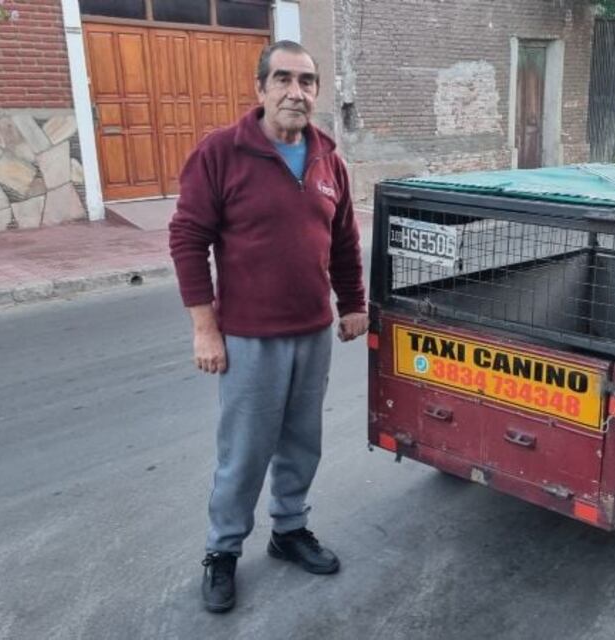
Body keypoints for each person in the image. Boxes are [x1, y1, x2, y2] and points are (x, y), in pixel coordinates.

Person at [168, 40, 367, 614]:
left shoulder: (329, 158)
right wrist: (205, 329)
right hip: (250, 336)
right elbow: (187, 239)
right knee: (246, 450)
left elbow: (345, 242)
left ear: (316, 94)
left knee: (302, 441)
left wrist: (353, 302)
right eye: (282, 79)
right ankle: (222, 551)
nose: (295, 92)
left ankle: (288, 530)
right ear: (260, 89)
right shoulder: (221, 153)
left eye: (306, 82)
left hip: (312, 331)